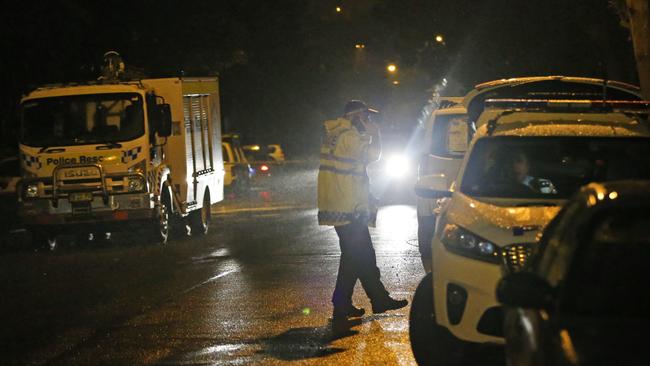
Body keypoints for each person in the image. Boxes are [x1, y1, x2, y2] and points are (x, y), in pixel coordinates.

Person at [318, 100, 408, 332]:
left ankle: (371, 300)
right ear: (356, 117)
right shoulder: (349, 136)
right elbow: (373, 156)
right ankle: (346, 305)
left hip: (342, 203)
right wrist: (375, 134)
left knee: (360, 255)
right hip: (349, 207)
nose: (369, 122)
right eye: (366, 118)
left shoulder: (336, 134)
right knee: (354, 257)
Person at [487, 147, 556, 195]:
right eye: (510, 162)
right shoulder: (495, 186)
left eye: (519, 161)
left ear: (527, 166)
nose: (514, 165)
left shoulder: (543, 185)